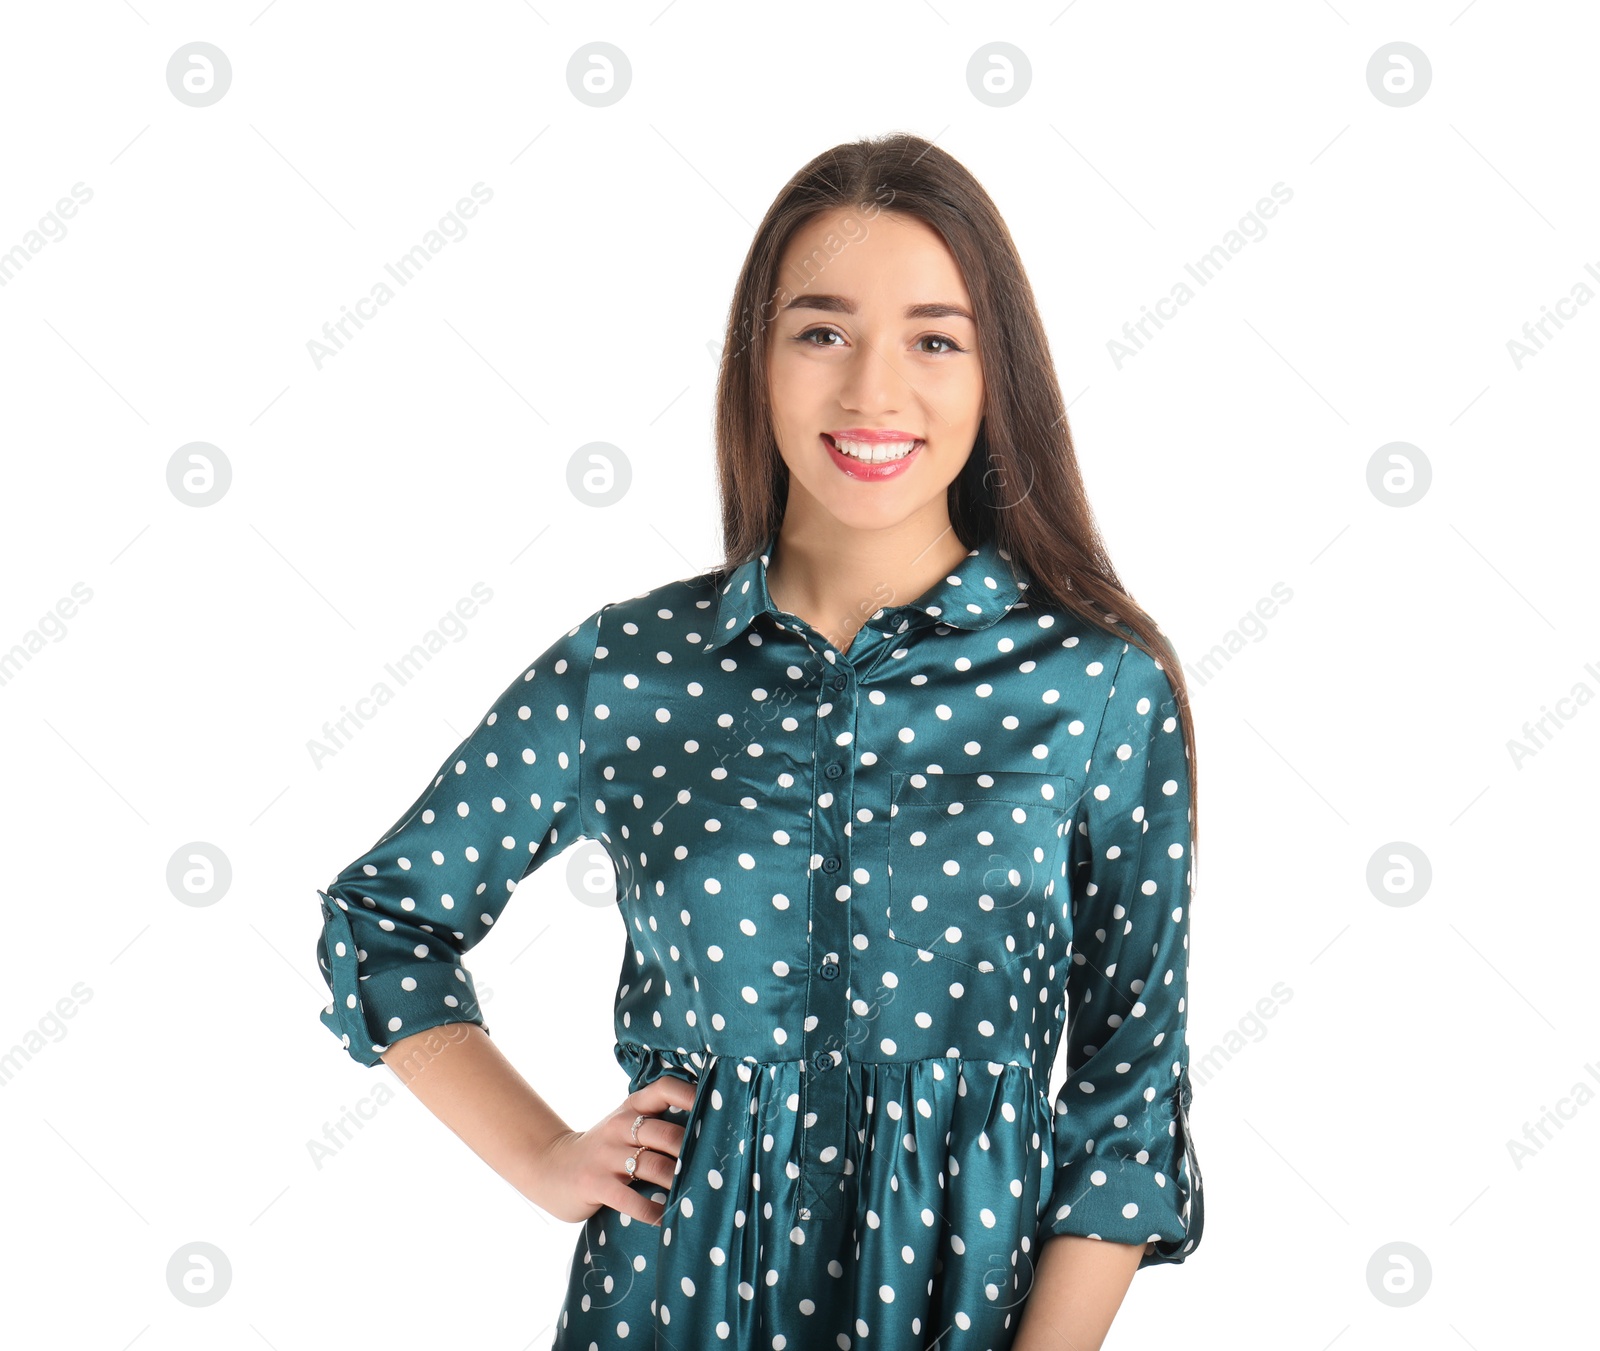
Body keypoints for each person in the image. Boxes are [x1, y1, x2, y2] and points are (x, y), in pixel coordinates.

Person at [314, 131, 1204, 1349]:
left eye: (934, 339)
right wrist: (541, 1157)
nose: (873, 392)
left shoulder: (1098, 686)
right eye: (822, 332)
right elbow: (384, 919)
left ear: (999, 375)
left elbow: (1129, 1097)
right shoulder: (627, 671)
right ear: (757, 361)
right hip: (672, 1298)